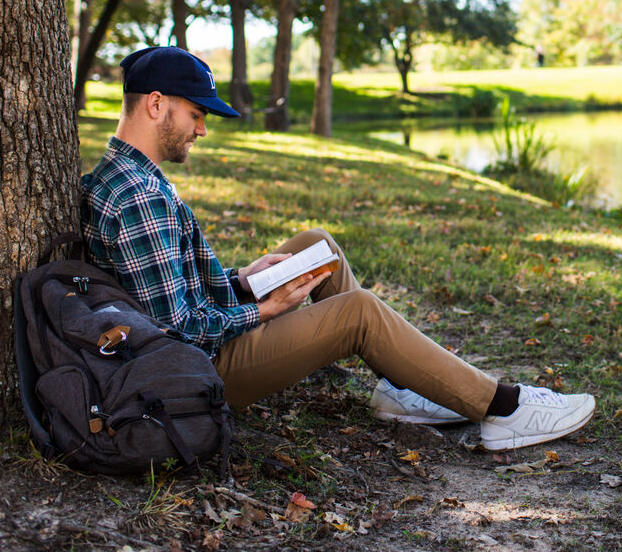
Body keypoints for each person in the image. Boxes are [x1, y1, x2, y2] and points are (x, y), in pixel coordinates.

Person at [81, 46, 595, 451]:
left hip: (194, 342)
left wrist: (241, 279)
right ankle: (502, 410)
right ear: (155, 105)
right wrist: (262, 310)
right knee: (360, 313)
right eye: (196, 113)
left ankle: (400, 387)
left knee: (316, 246)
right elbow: (178, 330)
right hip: (198, 371)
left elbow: (166, 287)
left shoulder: (130, 177)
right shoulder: (137, 198)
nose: (202, 128)